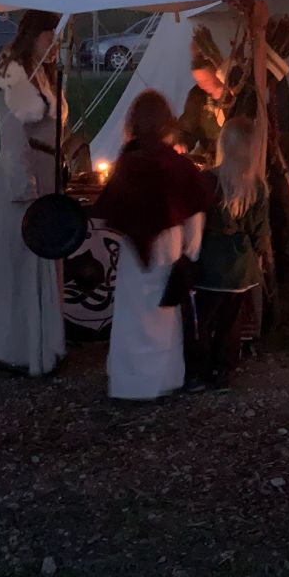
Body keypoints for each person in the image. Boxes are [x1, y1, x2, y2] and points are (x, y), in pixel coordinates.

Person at [0, 9, 65, 376]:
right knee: (19, 262)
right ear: (34, 35)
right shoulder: (12, 77)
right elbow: (14, 138)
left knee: (42, 261)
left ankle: (45, 343)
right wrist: (25, 186)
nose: (55, 45)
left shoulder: (42, 72)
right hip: (22, 177)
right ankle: (16, 348)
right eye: (50, 37)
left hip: (45, 172)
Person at [93, 89, 212, 400]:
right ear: (165, 123)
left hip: (134, 252)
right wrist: (191, 251)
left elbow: (113, 207)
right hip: (167, 246)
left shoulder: (127, 163)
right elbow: (195, 211)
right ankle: (160, 380)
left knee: (133, 313)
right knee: (162, 314)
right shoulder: (175, 164)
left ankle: (130, 383)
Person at [192, 117, 270, 389]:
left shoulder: (207, 180)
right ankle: (223, 371)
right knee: (230, 323)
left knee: (204, 321)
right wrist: (259, 256)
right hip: (240, 268)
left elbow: (194, 223)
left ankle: (200, 372)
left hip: (211, 264)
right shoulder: (257, 187)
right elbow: (260, 231)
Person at [176, 50, 226, 162]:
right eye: (198, 81)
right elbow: (187, 128)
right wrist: (182, 142)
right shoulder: (197, 96)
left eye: (206, 80)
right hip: (211, 155)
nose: (202, 85)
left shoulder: (234, 93)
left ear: (217, 73)